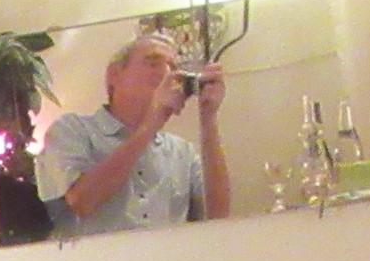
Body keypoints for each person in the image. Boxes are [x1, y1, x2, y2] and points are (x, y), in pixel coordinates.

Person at [35, 31, 230, 237]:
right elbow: (80, 203)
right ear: (114, 75)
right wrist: (151, 125)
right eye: (153, 62)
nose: (167, 72)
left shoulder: (182, 152)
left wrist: (208, 116)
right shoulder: (71, 129)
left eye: (172, 67)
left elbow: (218, 217)